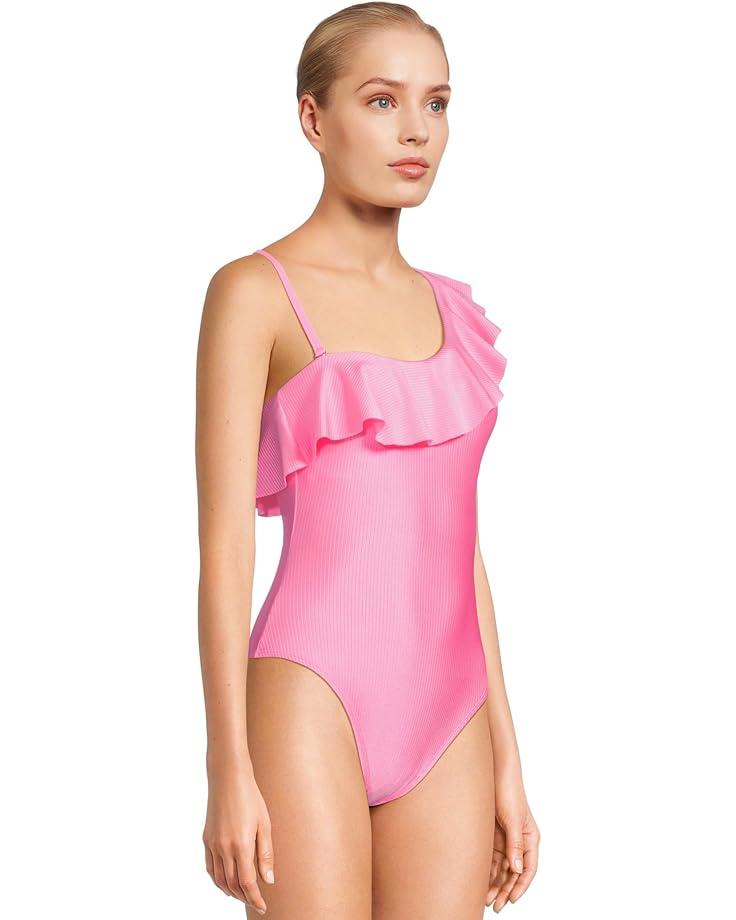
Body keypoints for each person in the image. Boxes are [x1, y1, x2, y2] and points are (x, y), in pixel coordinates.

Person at [195, 3, 540, 916]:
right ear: (314, 119)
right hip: (311, 690)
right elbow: (224, 549)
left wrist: (508, 756)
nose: (416, 130)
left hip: (453, 710)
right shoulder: (254, 293)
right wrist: (226, 765)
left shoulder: (454, 310)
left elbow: (460, 548)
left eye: (436, 102)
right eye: (382, 100)